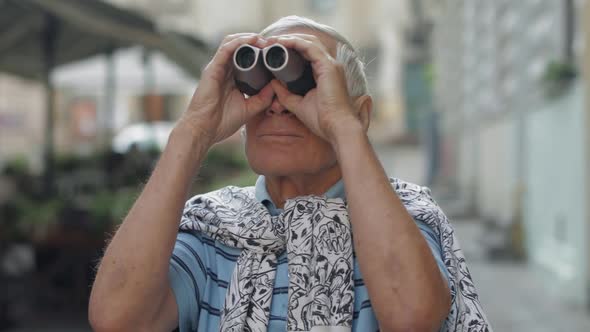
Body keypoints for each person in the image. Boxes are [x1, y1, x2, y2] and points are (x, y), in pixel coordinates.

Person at [89, 16, 491, 332]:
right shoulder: (213, 228)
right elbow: (118, 320)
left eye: (305, 83)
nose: (278, 105)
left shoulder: (406, 215)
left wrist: (342, 125)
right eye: (262, 84)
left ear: (361, 114)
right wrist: (194, 129)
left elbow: (411, 318)